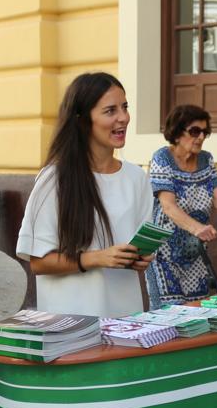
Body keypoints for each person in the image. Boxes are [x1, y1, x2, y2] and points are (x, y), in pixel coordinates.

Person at [16, 72, 154, 317]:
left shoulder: (137, 178)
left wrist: (140, 259)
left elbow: (136, 249)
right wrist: (96, 258)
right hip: (70, 328)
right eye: (110, 111)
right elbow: (38, 262)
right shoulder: (54, 179)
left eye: (125, 107)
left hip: (127, 323)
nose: (123, 118)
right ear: (82, 120)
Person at [146, 105, 217, 307]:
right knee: (169, 315)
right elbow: (168, 206)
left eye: (205, 132)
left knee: (197, 314)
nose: (200, 137)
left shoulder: (206, 159)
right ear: (177, 133)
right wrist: (197, 228)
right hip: (163, 253)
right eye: (194, 131)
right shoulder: (162, 158)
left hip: (196, 253)